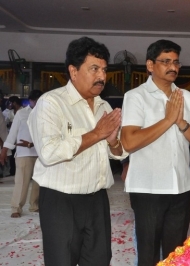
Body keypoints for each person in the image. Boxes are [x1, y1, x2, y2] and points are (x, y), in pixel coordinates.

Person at [27, 37, 127, 266]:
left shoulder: (104, 106)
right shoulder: (51, 103)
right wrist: (97, 133)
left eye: (104, 69)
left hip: (97, 200)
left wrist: (112, 142)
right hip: (61, 201)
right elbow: (49, 152)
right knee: (62, 261)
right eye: (94, 69)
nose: (102, 76)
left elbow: (118, 153)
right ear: (73, 71)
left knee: (100, 260)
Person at [120, 39, 190, 266]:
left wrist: (181, 124)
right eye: (166, 61)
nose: (173, 67)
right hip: (147, 188)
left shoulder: (186, 98)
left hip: (181, 188)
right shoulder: (136, 96)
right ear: (150, 65)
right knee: (148, 254)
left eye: (176, 62)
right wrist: (168, 120)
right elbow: (129, 142)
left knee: (175, 256)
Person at [0, 90, 42, 217]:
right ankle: (16, 208)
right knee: (21, 182)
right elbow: (12, 133)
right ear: (30, 101)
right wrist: (4, 151)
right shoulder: (21, 113)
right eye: (34, 100)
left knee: (38, 182)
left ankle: (35, 206)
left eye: (39, 101)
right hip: (24, 153)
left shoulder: (46, 114)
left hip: (41, 153)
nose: (36, 103)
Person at [3, 96, 22, 176]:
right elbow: (5, 122)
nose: (9, 104)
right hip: (11, 135)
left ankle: (19, 171)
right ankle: (12, 171)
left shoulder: (23, 111)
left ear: (14, 102)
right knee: (12, 154)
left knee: (19, 154)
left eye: (11, 103)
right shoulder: (9, 112)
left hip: (20, 137)